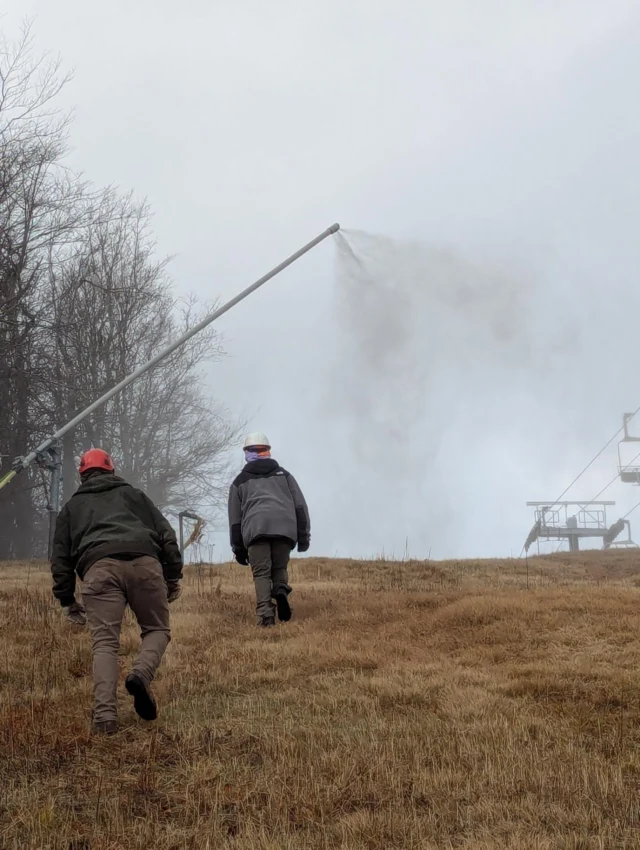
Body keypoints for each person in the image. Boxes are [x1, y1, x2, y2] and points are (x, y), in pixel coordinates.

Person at [50, 448, 183, 735]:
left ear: (82, 476)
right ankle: (140, 674)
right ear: (112, 470)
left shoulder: (71, 509)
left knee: (105, 644)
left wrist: (66, 598)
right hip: (145, 564)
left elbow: (60, 558)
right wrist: (172, 577)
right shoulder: (134, 495)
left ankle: (105, 719)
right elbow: (167, 535)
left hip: (99, 569)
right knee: (157, 629)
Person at [228, 432, 310, 627]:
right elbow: (300, 506)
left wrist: (238, 548)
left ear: (246, 453)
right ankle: (281, 590)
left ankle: (266, 616)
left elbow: (235, 520)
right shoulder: (285, 475)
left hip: (256, 530)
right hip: (284, 528)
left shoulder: (239, 482)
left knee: (262, 573)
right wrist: (303, 536)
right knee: (279, 567)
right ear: (268, 451)